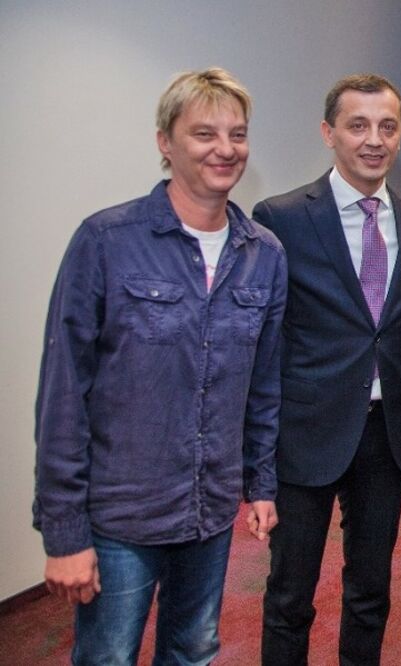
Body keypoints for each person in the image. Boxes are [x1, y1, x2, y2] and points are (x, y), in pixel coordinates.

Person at [33, 67, 286, 665]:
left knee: (193, 650)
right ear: (165, 142)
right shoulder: (105, 241)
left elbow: (264, 386)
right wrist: (64, 534)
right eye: (204, 134)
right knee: (108, 657)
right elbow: (63, 394)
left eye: (238, 134)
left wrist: (261, 483)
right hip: (123, 513)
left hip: (210, 507)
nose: (225, 150)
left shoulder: (264, 256)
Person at [255, 73, 401, 665]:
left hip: (384, 435)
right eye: (358, 125)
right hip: (305, 433)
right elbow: (264, 337)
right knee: (290, 596)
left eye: (387, 126)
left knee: (371, 590)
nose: (374, 139)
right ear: (329, 133)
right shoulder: (280, 217)